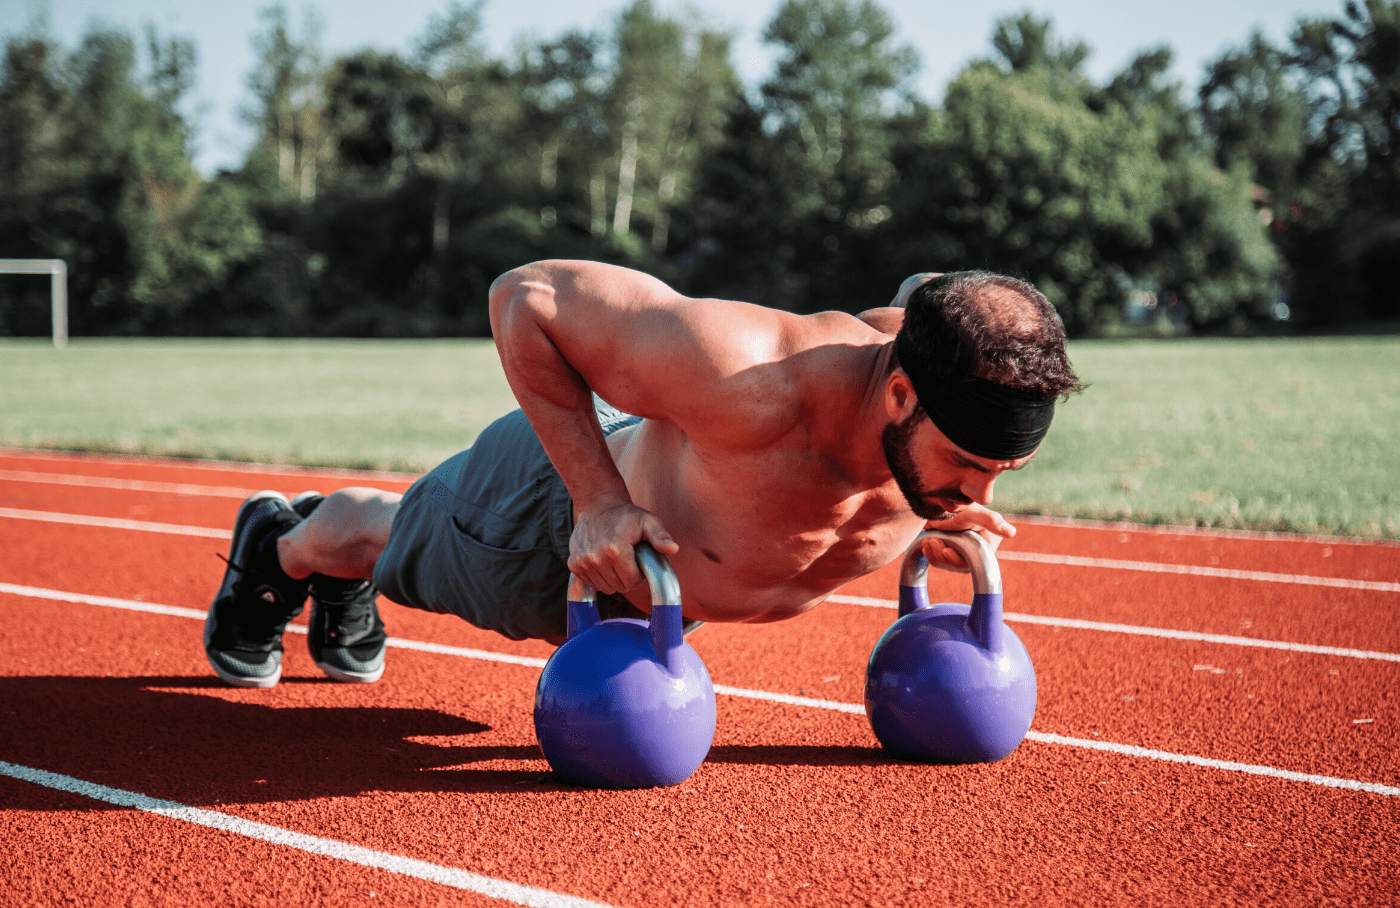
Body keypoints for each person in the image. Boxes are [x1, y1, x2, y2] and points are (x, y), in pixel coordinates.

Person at [203, 264, 1083, 688]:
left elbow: (932, 284)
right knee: (388, 539)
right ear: (897, 394)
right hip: (546, 522)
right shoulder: (751, 373)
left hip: (665, 565)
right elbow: (526, 299)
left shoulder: (939, 368)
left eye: (1004, 471)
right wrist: (596, 501)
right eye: (967, 468)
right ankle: (286, 547)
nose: (982, 500)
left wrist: (943, 491)